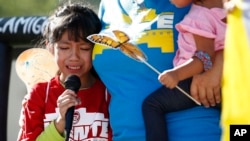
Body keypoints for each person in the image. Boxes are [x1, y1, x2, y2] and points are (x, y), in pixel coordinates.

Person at [92, 0, 222, 141]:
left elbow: (241, 36)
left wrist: (219, 64)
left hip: (199, 132)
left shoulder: (190, 2)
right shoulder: (109, 5)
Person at [17, 2, 112, 141]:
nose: (74, 57)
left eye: (85, 48)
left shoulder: (109, 93)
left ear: (97, 49)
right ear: (50, 48)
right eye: (64, 48)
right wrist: (59, 123)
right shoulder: (39, 95)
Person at [142, 0, 226, 140]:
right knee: (238, 118)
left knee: (152, 105)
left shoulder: (199, 16)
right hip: (229, 82)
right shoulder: (233, 11)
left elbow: (205, 58)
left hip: (191, 81)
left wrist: (176, 74)